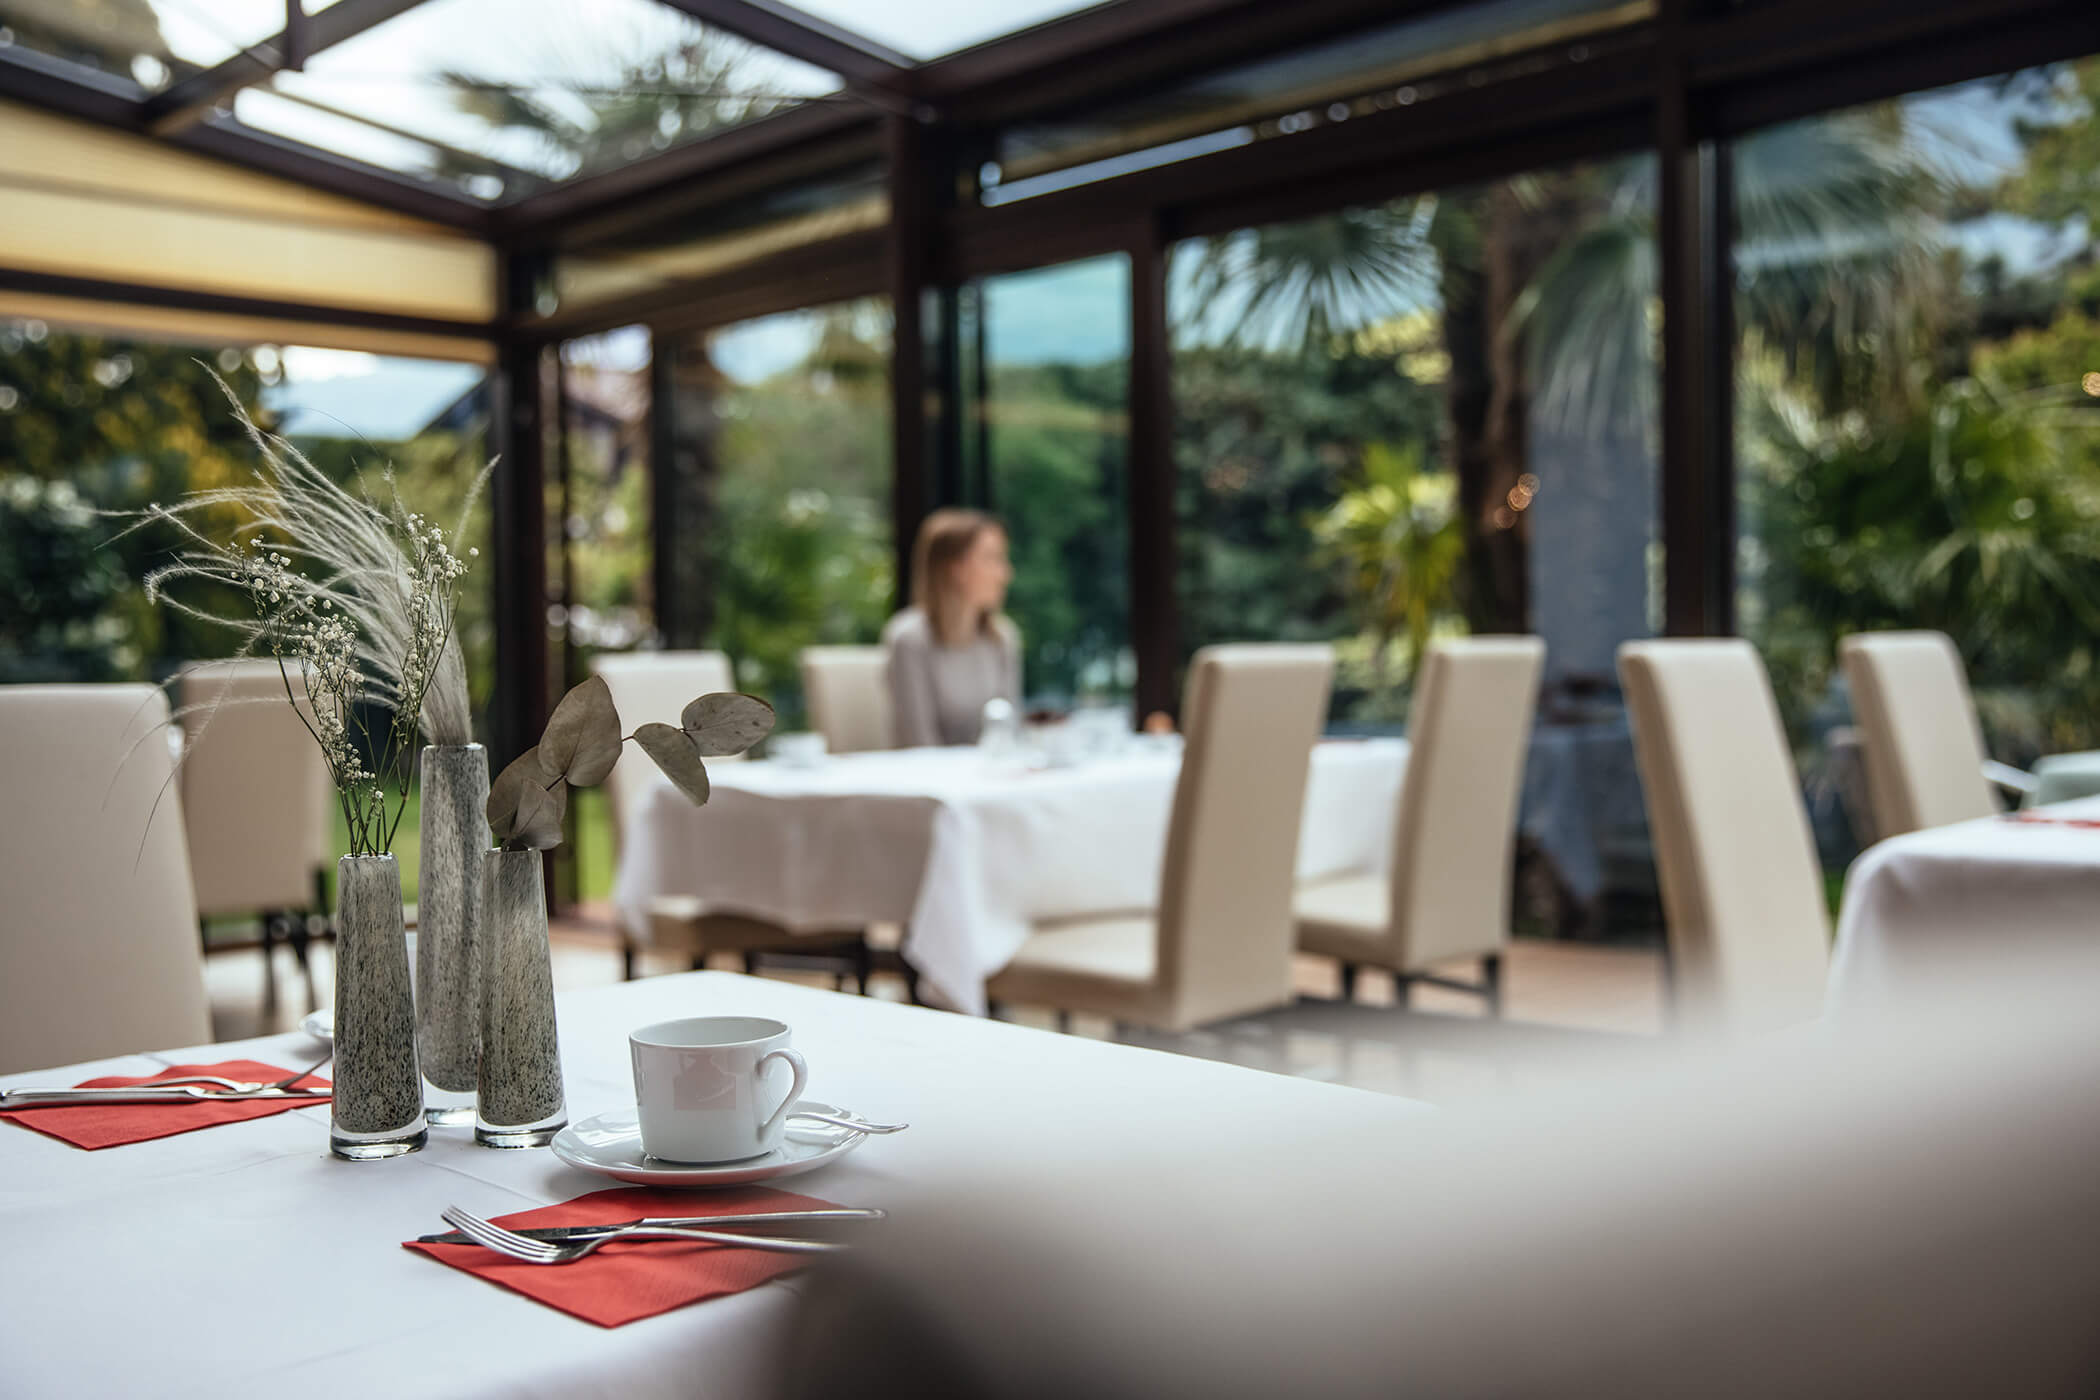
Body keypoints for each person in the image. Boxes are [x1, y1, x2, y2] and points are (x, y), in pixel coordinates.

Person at [885, 509, 1021, 747]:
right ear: (955, 568)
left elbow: (1009, 732)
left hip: (991, 776)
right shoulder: (909, 639)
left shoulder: (1002, 637)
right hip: (932, 780)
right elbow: (919, 746)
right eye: (992, 558)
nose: (1006, 574)